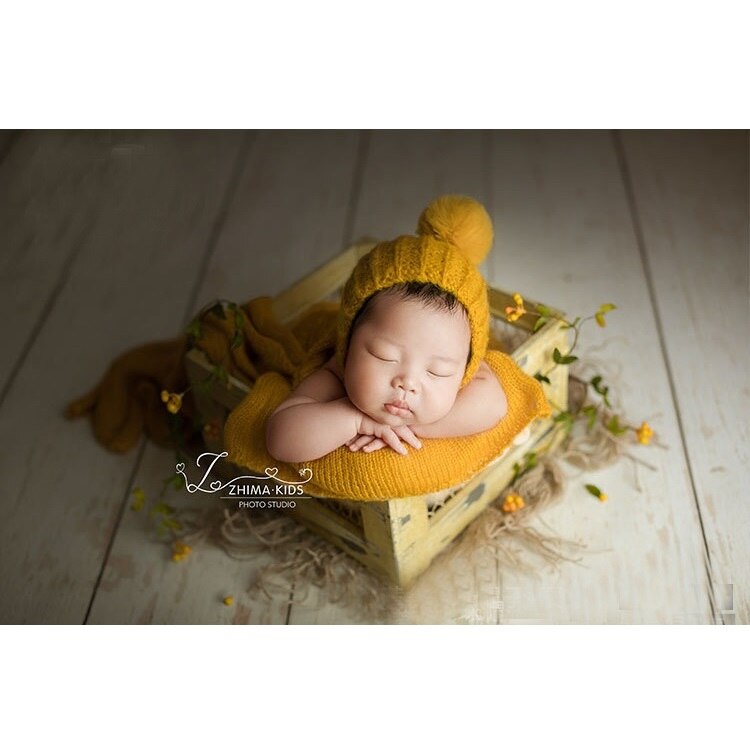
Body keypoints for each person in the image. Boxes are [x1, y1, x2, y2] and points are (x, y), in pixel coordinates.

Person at [265, 194, 508, 464]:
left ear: (464, 368)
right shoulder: (337, 373)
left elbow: (494, 405)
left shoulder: (460, 361)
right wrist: (354, 419)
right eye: (384, 355)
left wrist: (408, 428)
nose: (407, 383)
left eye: (438, 371)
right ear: (349, 339)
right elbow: (281, 440)